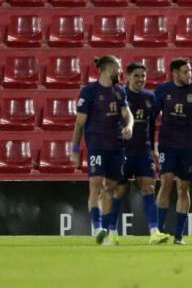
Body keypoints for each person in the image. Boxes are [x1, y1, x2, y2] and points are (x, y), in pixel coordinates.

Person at [70, 56, 134, 246]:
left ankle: (104, 232)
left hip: (116, 146)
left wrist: (129, 125)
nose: (120, 72)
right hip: (96, 145)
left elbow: (127, 114)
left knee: (110, 188)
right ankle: (97, 227)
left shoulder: (119, 92)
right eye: (118, 68)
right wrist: (75, 149)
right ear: (109, 69)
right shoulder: (89, 92)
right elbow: (79, 124)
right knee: (95, 184)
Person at [107, 62, 170, 245]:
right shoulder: (118, 95)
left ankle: (154, 232)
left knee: (149, 187)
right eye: (136, 76)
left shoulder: (150, 97)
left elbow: (151, 126)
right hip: (122, 151)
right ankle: (111, 232)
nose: (140, 79)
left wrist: (153, 148)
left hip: (143, 151)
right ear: (127, 77)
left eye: (143, 76)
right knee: (118, 191)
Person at [154, 58, 192, 245]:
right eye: (185, 71)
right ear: (175, 73)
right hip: (167, 143)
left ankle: (179, 235)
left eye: (190, 71)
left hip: (188, 145)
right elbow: (151, 118)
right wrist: (151, 144)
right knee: (166, 182)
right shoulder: (163, 91)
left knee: (183, 187)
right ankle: (159, 232)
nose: (189, 74)